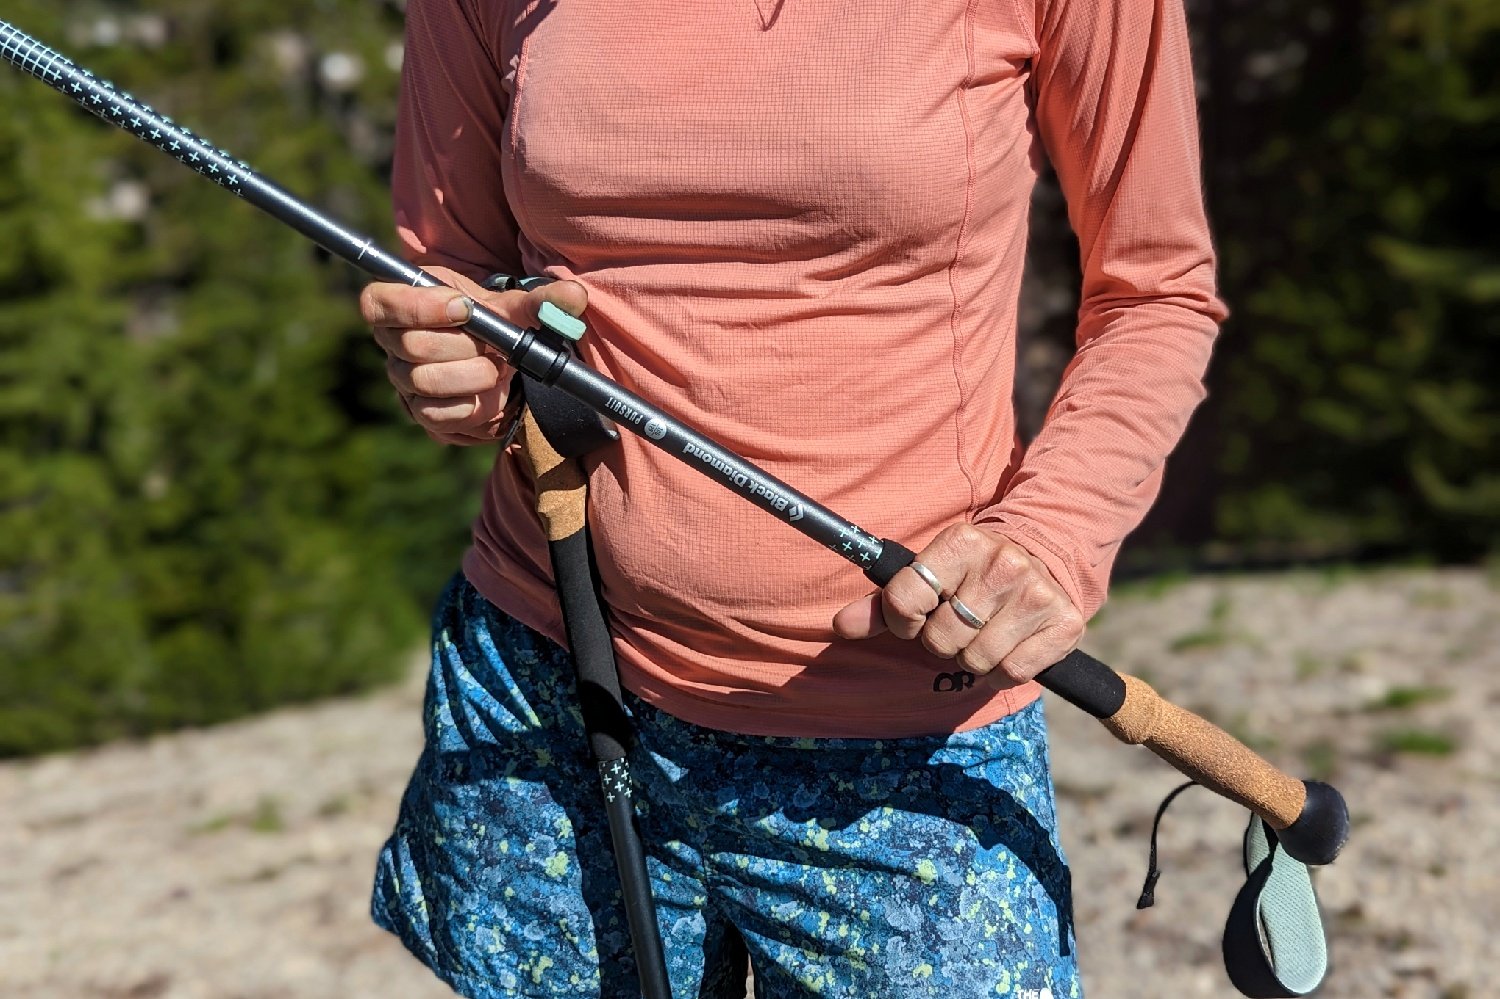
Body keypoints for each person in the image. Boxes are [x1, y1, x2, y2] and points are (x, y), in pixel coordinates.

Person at [361, 0, 1227, 996]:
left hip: (904, 733)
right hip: (547, 674)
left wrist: (1053, 531)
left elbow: (1156, 290)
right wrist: (456, 367)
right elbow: (456, 279)